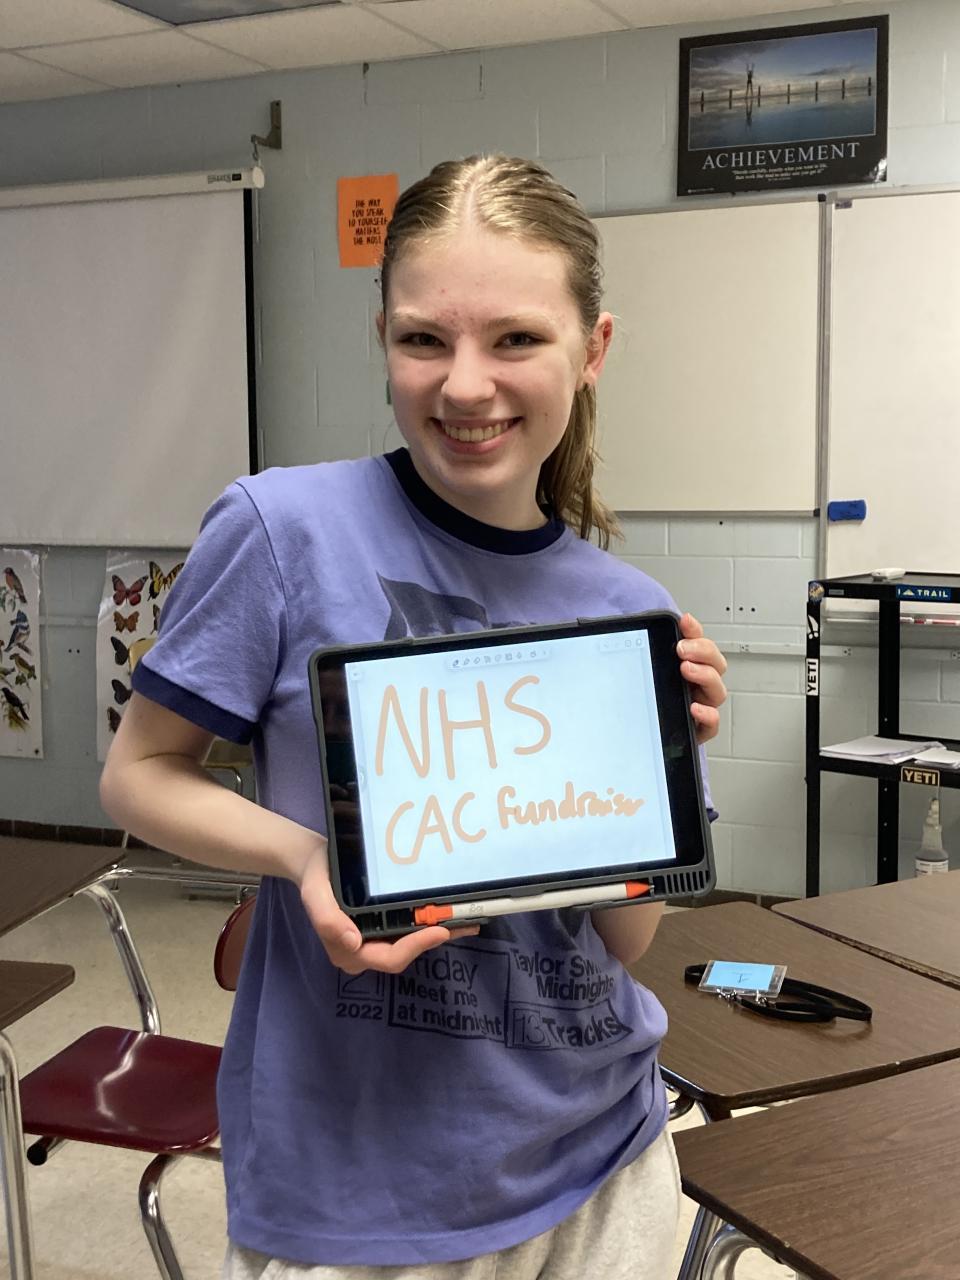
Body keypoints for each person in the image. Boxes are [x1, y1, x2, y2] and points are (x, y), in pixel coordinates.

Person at [101, 154, 727, 1280]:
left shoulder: (628, 611)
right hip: (361, 1183)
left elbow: (624, 940)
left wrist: (656, 779)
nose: (466, 386)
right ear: (381, 337)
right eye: (424, 339)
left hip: (605, 1158)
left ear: (593, 350)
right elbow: (137, 774)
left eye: (517, 339)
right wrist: (307, 856)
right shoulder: (283, 529)